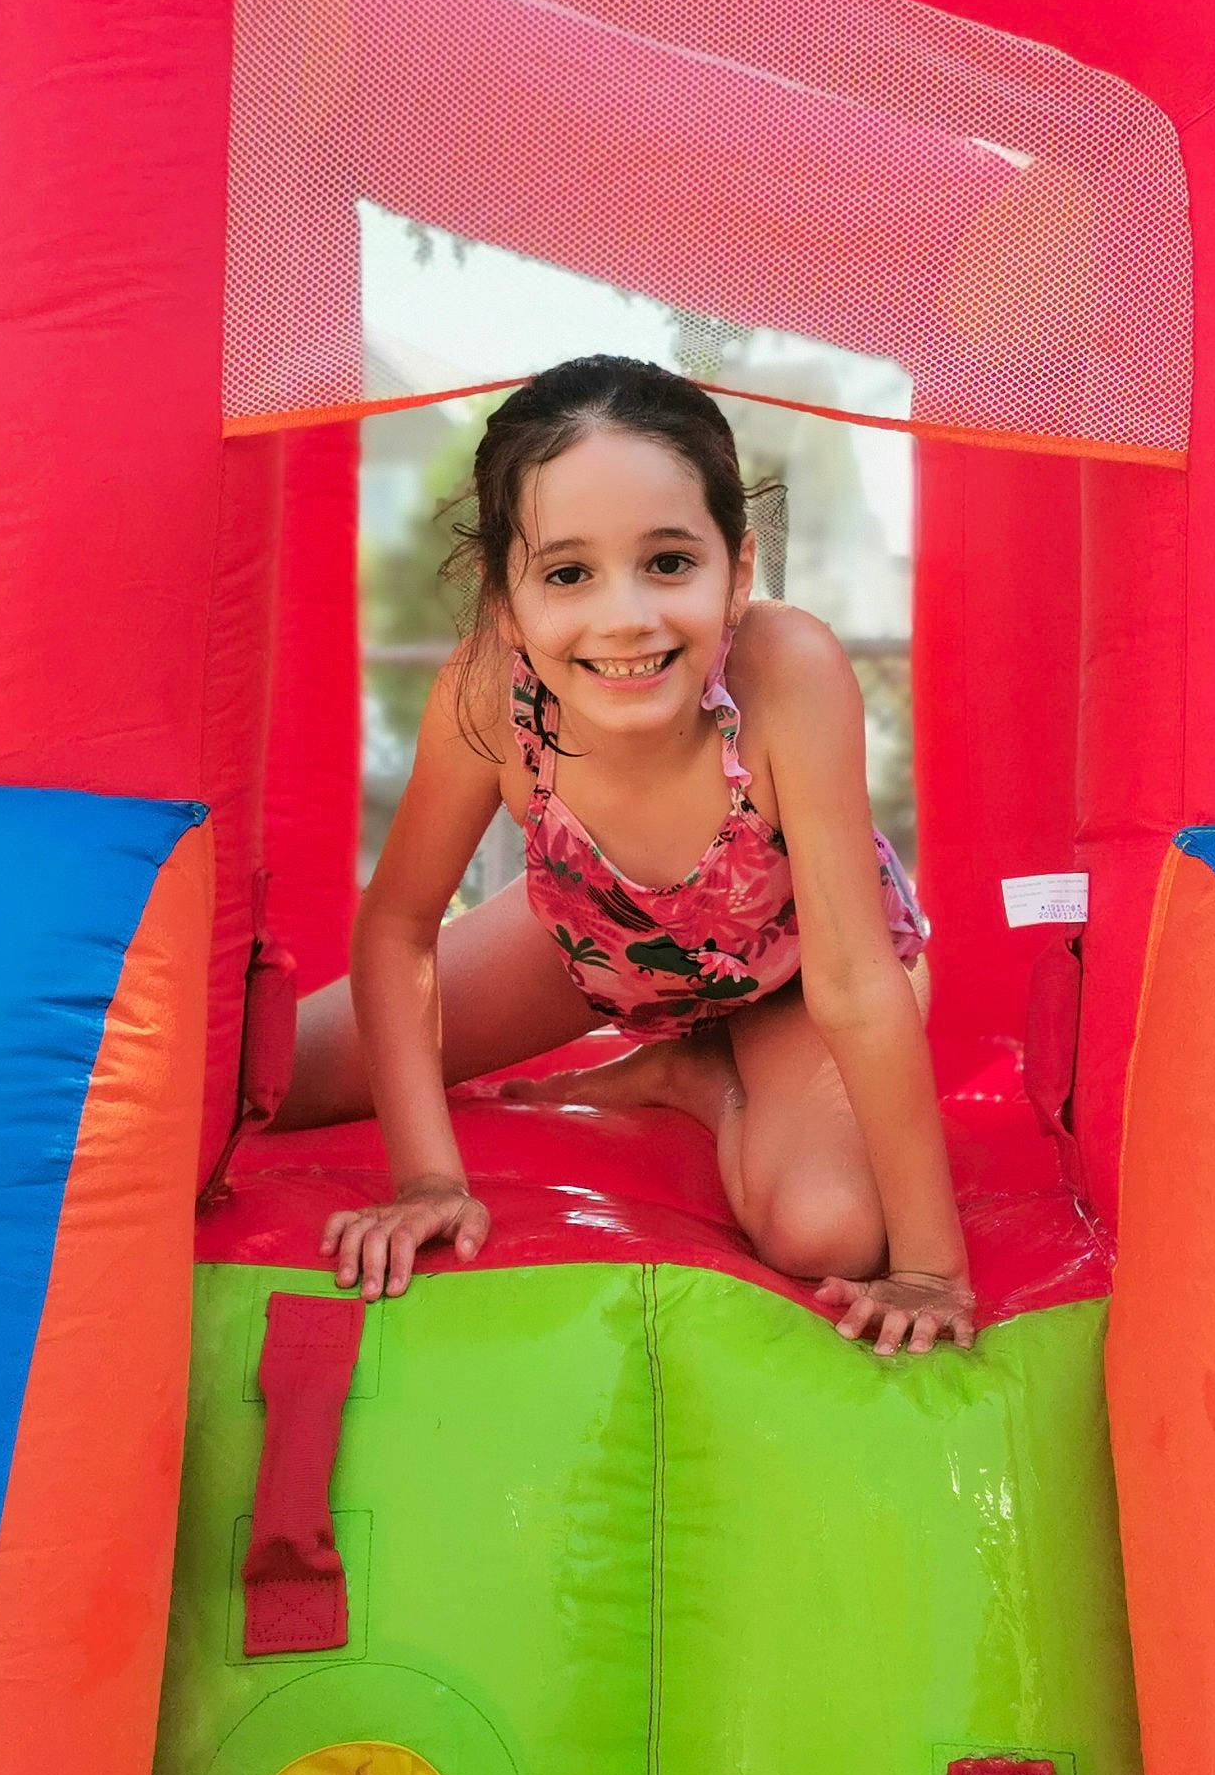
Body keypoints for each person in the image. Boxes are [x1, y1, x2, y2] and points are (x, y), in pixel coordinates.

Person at [286, 356, 973, 1355]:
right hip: (599, 934)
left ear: (737, 571)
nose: (627, 617)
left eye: (667, 562)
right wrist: (428, 1175)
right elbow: (398, 929)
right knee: (274, 1078)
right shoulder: (488, 696)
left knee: (824, 1228)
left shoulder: (789, 673)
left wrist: (935, 1266)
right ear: (506, 600)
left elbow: (858, 984)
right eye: (568, 573)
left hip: (797, 966)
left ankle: (694, 1078)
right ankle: (674, 1052)